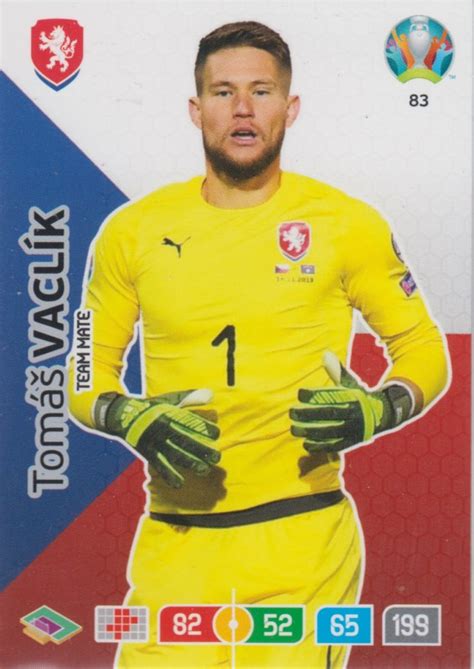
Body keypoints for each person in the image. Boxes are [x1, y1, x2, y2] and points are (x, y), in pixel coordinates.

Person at [68, 20, 449, 669]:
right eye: (222, 91)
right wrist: (124, 413)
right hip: (176, 549)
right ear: (196, 110)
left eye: (261, 91)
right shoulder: (130, 232)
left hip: (303, 550)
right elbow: (84, 372)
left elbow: (423, 348)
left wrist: (382, 406)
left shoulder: (347, 225)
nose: (242, 108)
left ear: (289, 107)